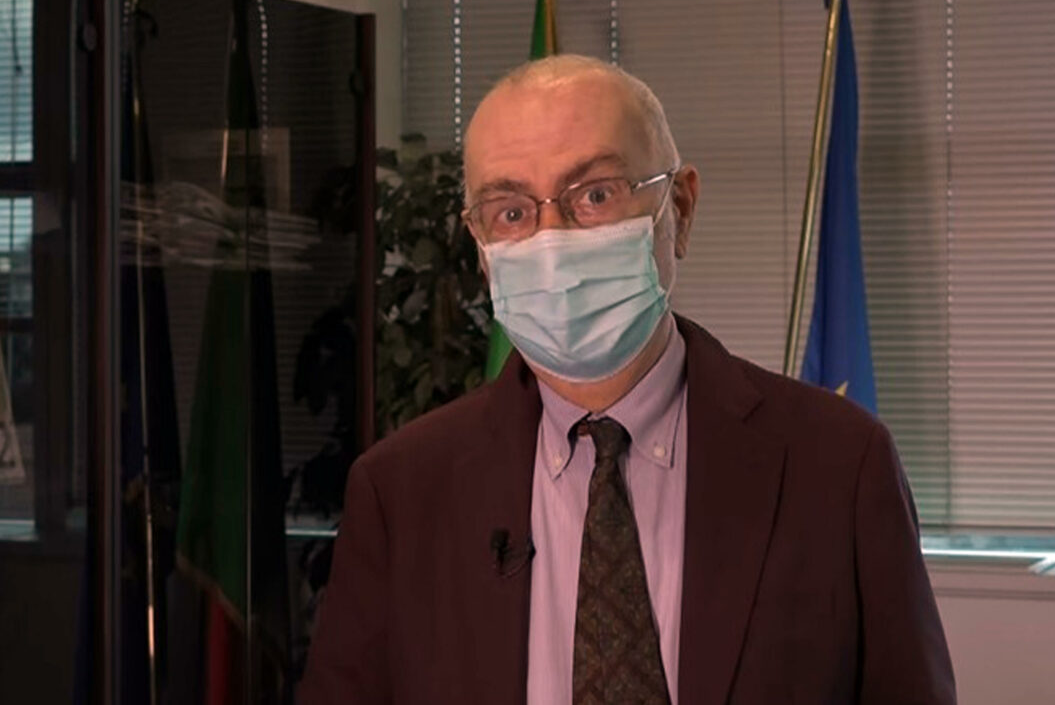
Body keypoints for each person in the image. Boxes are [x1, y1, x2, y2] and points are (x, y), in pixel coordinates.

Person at [299, 54, 955, 705]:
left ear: (681, 208)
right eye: (511, 212)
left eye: (595, 195)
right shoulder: (400, 491)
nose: (551, 244)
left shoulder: (840, 463)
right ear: (479, 242)